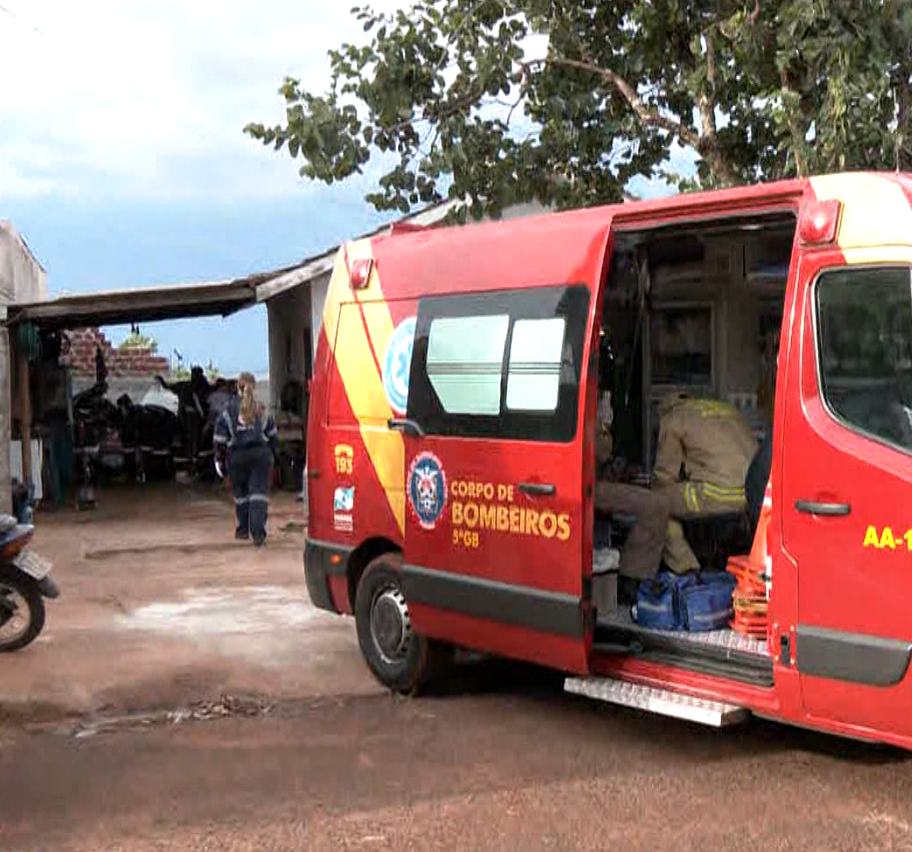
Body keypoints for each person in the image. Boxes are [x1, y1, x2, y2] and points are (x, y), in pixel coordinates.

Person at [652, 393, 758, 574]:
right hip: (752, 494)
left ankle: (687, 568)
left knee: (656, 502)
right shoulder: (726, 409)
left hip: (716, 495)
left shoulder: (673, 418)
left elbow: (665, 475)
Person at [593, 392, 671, 592]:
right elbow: (601, 453)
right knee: (656, 505)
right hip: (587, 486)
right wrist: (603, 424)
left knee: (655, 501)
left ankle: (635, 578)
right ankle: (632, 580)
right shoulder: (584, 412)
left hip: (595, 481)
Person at [214, 372, 278, 546]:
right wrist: (273, 456)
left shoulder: (227, 411)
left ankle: (242, 529)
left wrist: (220, 461)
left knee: (241, 495)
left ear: (237, 387)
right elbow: (272, 436)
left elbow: (219, 439)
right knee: (258, 494)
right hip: (260, 456)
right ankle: (258, 532)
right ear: (254, 387)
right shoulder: (262, 409)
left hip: (236, 457)